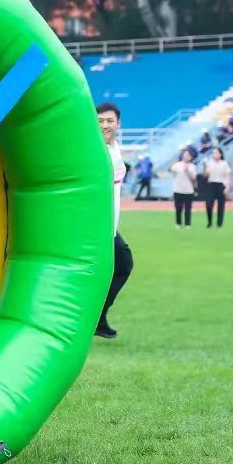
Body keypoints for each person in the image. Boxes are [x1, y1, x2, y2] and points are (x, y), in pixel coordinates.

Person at [95, 103, 133, 339]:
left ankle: (99, 318)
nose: (105, 125)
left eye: (109, 121)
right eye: (100, 121)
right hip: (94, 226)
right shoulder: (91, 150)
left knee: (123, 265)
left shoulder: (116, 148)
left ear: (118, 124)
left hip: (110, 226)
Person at [203, 147, 231, 228]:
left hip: (221, 184)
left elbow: (227, 176)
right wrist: (206, 169)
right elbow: (205, 176)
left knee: (221, 205)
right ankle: (209, 222)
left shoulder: (224, 163)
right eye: (213, 153)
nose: (215, 155)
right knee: (208, 204)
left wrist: (227, 187)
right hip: (211, 184)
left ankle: (219, 223)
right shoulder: (209, 163)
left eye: (216, 153)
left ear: (220, 154)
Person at [170, 149, 197, 228]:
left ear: (191, 157)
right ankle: (178, 223)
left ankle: (187, 224)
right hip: (178, 189)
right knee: (178, 208)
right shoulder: (177, 165)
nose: (186, 156)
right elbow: (171, 170)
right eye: (184, 154)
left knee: (188, 209)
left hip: (188, 190)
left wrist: (187, 171)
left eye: (188, 155)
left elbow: (193, 178)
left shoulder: (192, 166)